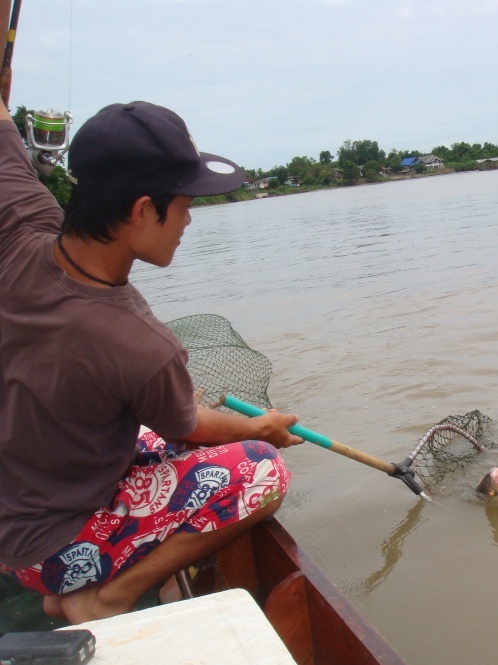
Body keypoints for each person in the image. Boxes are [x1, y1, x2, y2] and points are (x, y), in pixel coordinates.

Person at [0, 99, 304, 624]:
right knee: (261, 470)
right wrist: (260, 426)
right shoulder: (139, 342)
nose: (188, 219)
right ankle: (105, 598)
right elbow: (195, 425)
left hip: (14, 509)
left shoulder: (21, 232)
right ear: (142, 211)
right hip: (47, 551)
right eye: (183, 205)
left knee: (154, 433)